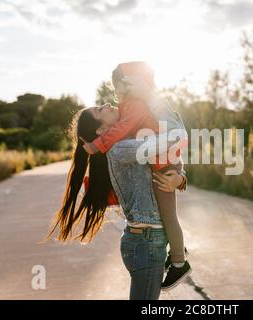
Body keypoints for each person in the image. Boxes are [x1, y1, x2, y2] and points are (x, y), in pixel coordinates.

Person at [81, 61, 192, 291]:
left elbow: (167, 145)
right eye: (99, 110)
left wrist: (180, 179)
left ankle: (179, 255)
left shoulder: (128, 124)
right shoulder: (121, 148)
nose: (108, 102)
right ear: (101, 130)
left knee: (170, 215)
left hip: (147, 239)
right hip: (146, 242)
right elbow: (177, 136)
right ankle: (179, 259)